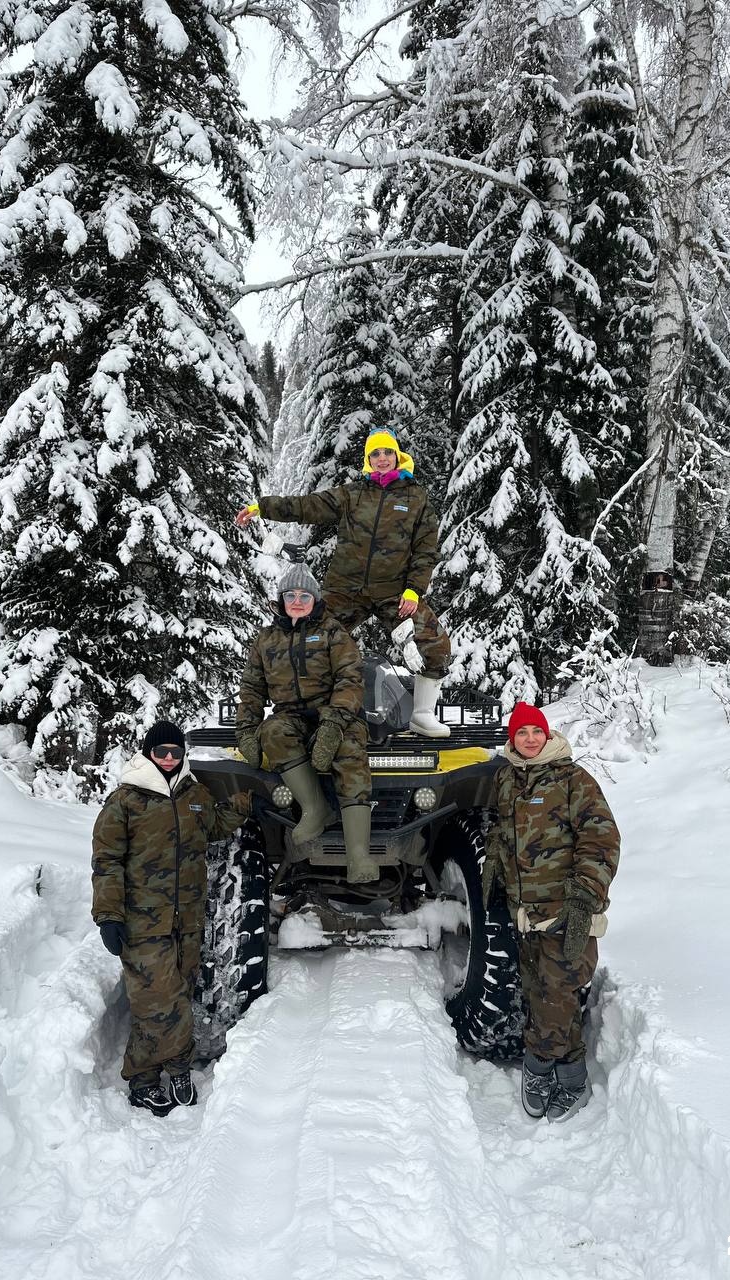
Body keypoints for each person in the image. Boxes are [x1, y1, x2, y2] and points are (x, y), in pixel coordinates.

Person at [235, 428, 452, 738]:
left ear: (397, 456)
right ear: (368, 460)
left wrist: (413, 590)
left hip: (394, 591)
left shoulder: (415, 497)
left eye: (386, 452)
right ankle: (300, 713)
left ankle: (421, 714)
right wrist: (263, 506)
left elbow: (426, 548)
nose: (381, 458)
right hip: (344, 590)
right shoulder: (352, 494)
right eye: (374, 454)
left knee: (436, 643)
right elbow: (307, 505)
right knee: (305, 639)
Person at [91, 721, 252, 1116]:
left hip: (188, 921)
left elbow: (212, 827)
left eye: (175, 752)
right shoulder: (125, 801)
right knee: (153, 1003)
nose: (168, 759)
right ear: (148, 752)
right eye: (161, 751)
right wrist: (108, 916)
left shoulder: (192, 794)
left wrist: (247, 803)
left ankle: (178, 1068)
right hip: (142, 923)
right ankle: (143, 1079)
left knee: (180, 994)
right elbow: (106, 861)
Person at [481, 701, 620, 1122]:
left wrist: (583, 898)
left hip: (567, 910)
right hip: (524, 912)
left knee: (557, 995)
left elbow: (602, 840)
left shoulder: (573, 779)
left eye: (535, 732)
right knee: (539, 993)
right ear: (513, 739)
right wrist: (492, 870)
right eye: (521, 733)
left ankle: (545, 1069)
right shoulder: (507, 780)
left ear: (548, 736)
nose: (528, 739)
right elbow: (502, 834)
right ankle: (569, 1065)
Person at [236, 561, 375, 883]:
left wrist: (333, 722)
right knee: (272, 731)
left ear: (314, 600)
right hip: (290, 715)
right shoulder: (266, 639)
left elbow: (350, 678)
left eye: (304, 595)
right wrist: (246, 730)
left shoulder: (332, 632)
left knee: (349, 751)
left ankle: (358, 854)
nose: (297, 601)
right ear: (281, 600)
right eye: (291, 595)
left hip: (338, 713)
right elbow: (252, 688)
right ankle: (315, 810)